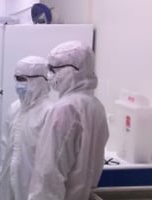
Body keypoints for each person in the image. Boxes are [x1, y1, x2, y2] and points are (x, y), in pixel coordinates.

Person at [28, 41, 109, 200]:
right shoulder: (96, 106)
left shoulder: (64, 109)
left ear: (71, 71)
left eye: (53, 70)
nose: (50, 76)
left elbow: (48, 175)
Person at [0, 56, 53, 200]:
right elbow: (5, 147)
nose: (18, 84)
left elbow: (50, 161)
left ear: (39, 81)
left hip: (34, 186)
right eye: (17, 78)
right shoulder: (15, 108)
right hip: (8, 182)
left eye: (23, 79)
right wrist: (0, 178)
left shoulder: (50, 112)